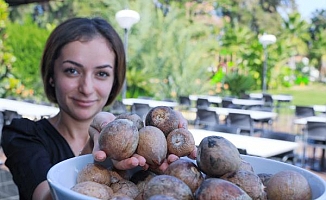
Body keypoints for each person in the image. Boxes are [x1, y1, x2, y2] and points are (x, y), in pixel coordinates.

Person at [0, 17, 195, 200]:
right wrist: (96, 158)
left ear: (114, 80)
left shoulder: (133, 142)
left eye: (101, 73)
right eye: (72, 71)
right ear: (51, 75)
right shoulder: (22, 135)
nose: (86, 88)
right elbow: (45, 195)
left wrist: (167, 149)